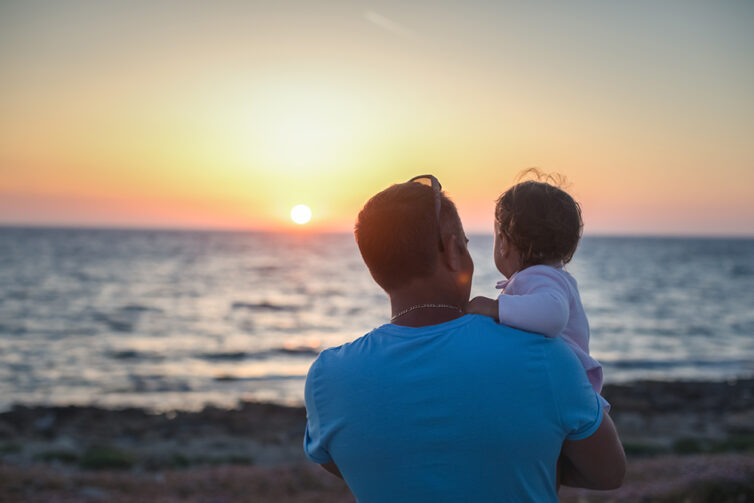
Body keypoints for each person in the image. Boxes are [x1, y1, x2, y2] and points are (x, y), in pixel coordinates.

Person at [303, 175, 625, 502]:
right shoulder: (545, 356)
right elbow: (609, 473)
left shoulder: (327, 378)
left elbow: (341, 463)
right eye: (467, 244)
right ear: (454, 251)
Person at [466, 170, 609, 409]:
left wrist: (493, 307)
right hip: (561, 389)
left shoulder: (540, 278)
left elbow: (554, 314)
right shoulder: (550, 278)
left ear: (504, 243)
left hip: (564, 396)